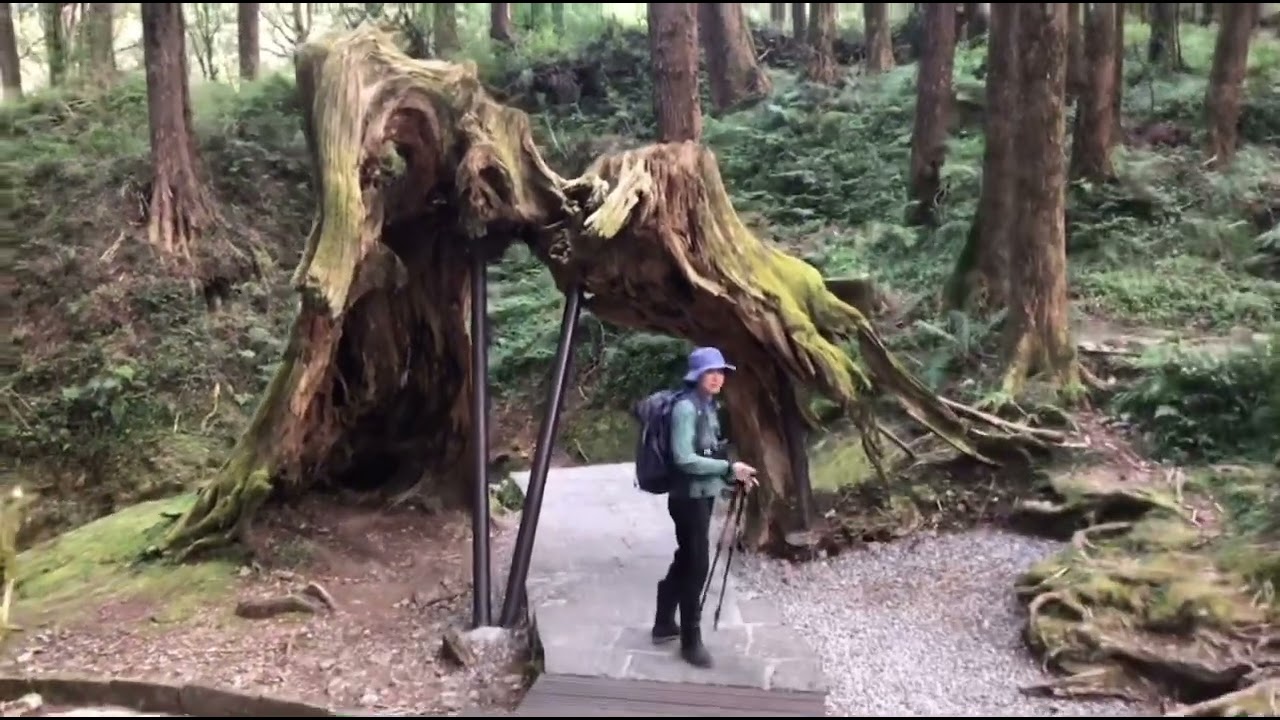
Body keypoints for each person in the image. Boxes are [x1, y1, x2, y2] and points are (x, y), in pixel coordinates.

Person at [651, 347, 757, 669]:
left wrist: (731, 476)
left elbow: (709, 451)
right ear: (696, 375)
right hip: (687, 499)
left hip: (703, 495)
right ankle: (690, 641)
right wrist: (728, 468)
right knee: (697, 566)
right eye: (710, 372)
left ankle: (663, 622)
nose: (717, 377)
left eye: (721, 372)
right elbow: (684, 458)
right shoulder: (686, 408)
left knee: (687, 557)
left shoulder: (708, 406)